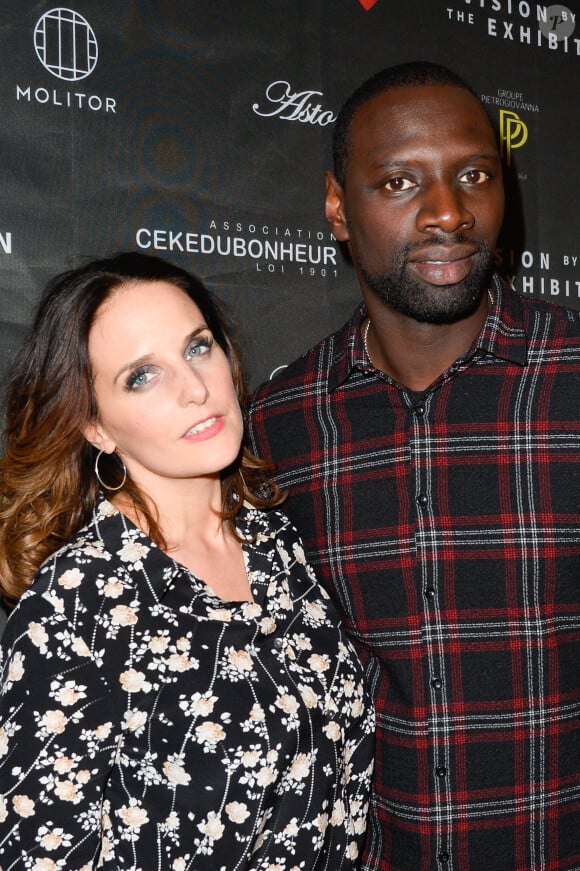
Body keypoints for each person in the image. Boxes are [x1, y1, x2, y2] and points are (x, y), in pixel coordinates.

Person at [248, 61, 580, 871]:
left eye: (475, 175)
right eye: (400, 182)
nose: (449, 213)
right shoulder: (278, 424)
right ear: (338, 207)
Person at [0, 252, 374, 869]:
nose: (196, 388)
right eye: (142, 376)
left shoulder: (279, 547)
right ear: (94, 425)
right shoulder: (73, 609)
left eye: (198, 348)